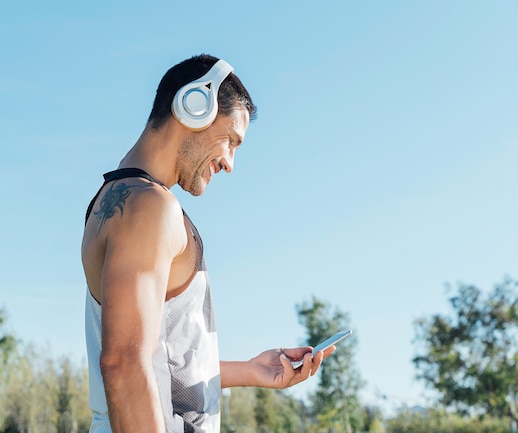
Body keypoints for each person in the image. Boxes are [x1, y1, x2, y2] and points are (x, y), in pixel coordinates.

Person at [81, 54, 332, 433]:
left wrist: (250, 370)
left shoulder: (127, 200)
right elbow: (123, 364)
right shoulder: (147, 208)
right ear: (193, 106)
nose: (230, 162)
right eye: (230, 140)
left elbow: (157, 358)